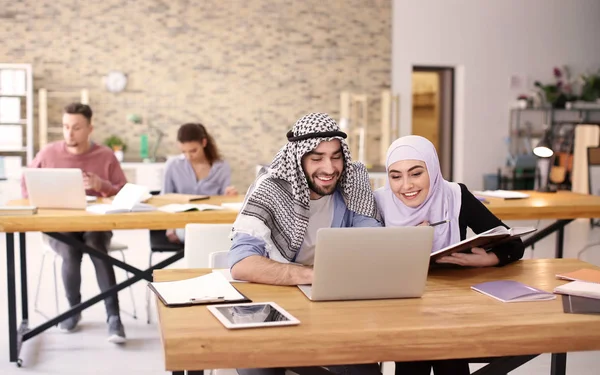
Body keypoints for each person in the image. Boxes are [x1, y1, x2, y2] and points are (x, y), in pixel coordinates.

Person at [228, 113, 382, 375]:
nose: (330, 168)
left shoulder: (352, 182)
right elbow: (241, 264)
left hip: (335, 313)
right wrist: (313, 275)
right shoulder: (271, 188)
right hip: (273, 311)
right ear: (298, 159)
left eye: (336, 156)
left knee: (363, 368)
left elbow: (371, 247)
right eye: (317, 158)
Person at [374, 135, 525, 375]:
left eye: (415, 173)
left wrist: (488, 258)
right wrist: (404, 245)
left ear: (432, 170)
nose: (406, 185)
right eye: (396, 176)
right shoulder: (378, 202)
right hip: (401, 306)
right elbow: (367, 262)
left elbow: (513, 244)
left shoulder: (455, 196)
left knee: (449, 357)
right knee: (414, 357)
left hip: (451, 306)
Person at [21, 103, 127, 343]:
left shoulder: (105, 156)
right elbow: (26, 184)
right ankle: (73, 310)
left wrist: (103, 186)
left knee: (95, 244)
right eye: (66, 127)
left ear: (90, 128)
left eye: (76, 127)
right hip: (60, 228)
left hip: (96, 226)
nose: (69, 133)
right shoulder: (48, 153)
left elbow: (125, 191)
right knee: (70, 248)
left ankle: (114, 317)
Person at [162, 122, 237, 243]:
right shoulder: (172, 165)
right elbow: (164, 199)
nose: (188, 156)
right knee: (197, 236)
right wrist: (170, 227)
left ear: (204, 143)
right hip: (182, 224)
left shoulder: (221, 166)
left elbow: (225, 201)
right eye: (184, 151)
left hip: (213, 221)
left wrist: (229, 196)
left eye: (193, 151)